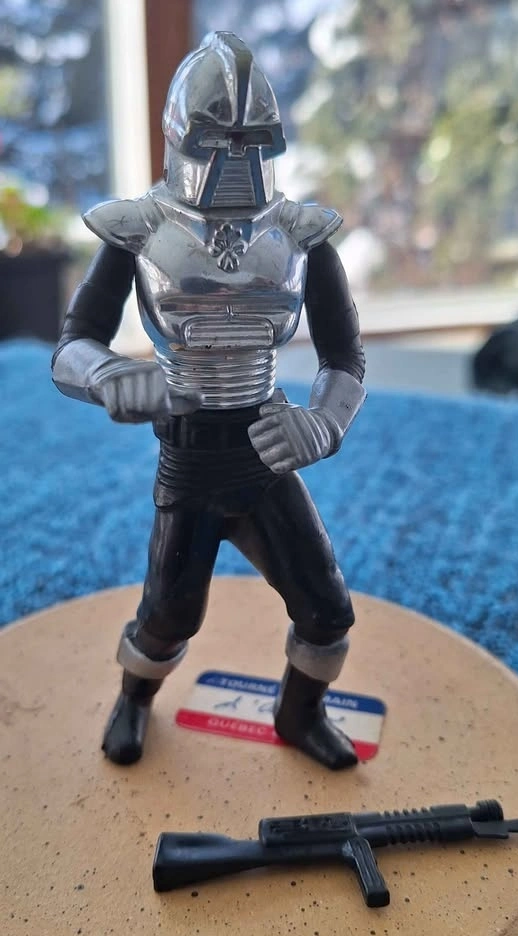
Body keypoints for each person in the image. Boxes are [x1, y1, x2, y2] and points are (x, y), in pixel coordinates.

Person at [52, 32, 366, 771]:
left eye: (250, 141)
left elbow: (344, 357)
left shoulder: (299, 234)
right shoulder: (139, 228)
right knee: (168, 616)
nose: (234, 158)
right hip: (189, 455)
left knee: (327, 609)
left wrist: (325, 422)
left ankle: (298, 715)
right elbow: (71, 346)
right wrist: (107, 375)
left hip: (266, 449)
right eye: (217, 140)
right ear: (180, 139)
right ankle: (134, 697)